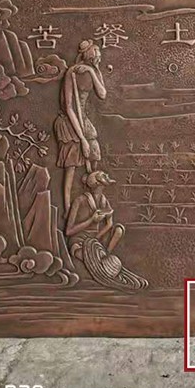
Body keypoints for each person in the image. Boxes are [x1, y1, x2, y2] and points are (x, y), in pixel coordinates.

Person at [54, 40, 107, 216]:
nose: (98, 57)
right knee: (71, 164)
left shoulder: (92, 71)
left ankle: (92, 197)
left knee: (94, 152)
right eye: (95, 54)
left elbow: (102, 94)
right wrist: (82, 138)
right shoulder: (72, 73)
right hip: (69, 121)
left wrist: (93, 71)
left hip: (83, 118)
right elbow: (69, 107)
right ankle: (67, 209)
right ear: (88, 55)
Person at [65, 170, 124, 255]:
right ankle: (99, 256)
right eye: (102, 185)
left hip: (96, 238)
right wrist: (91, 220)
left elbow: (109, 224)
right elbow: (68, 231)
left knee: (119, 230)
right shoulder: (79, 201)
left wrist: (97, 237)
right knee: (80, 252)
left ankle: (106, 255)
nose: (103, 187)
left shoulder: (104, 201)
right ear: (97, 185)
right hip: (80, 240)